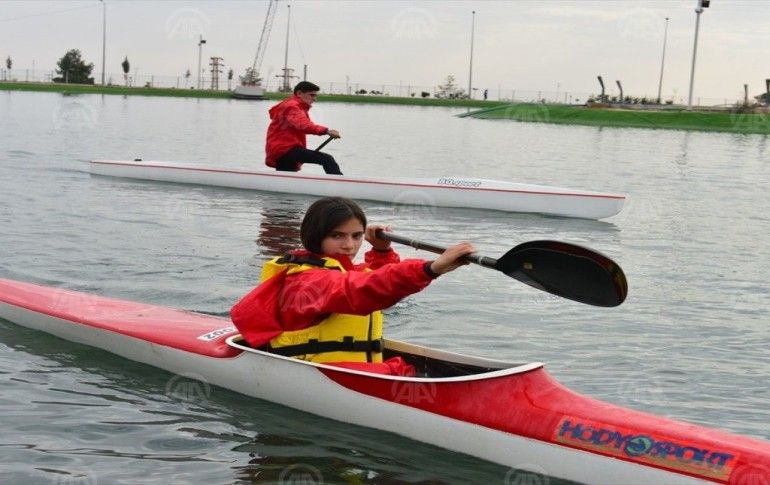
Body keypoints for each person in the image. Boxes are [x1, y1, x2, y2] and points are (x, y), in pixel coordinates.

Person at [231, 197, 475, 376]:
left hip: (358, 371)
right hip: (323, 373)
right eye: (337, 236)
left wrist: (381, 250)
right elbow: (361, 289)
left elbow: (371, 277)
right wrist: (431, 268)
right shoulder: (306, 281)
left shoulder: (341, 271)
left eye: (357, 236)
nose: (349, 245)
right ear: (315, 236)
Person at [265, 81, 343, 175]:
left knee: (287, 176)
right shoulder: (291, 106)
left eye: (315, 96)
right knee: (327, 159)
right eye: (312, 95)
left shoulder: (294, 106)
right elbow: (303, 125)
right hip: (285, 149)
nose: (315, 99)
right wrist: (326, 131)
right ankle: (340, 183)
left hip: (284, 150)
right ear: (299, 93)